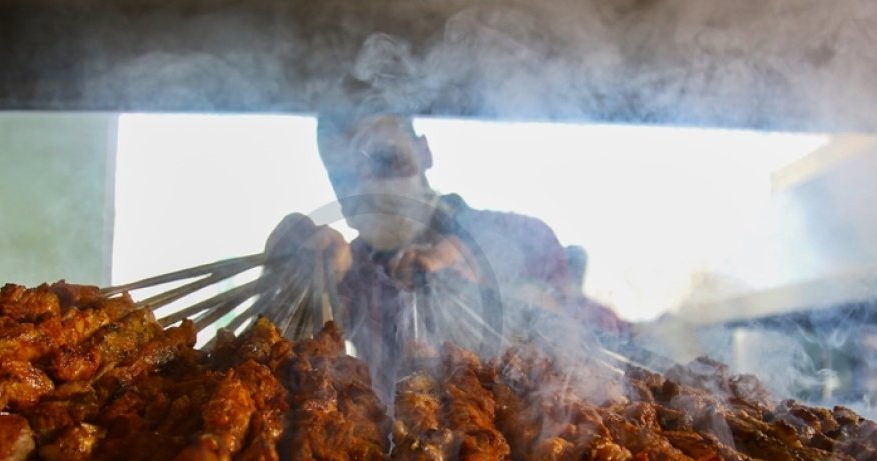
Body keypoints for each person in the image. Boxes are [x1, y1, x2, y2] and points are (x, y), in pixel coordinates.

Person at [266, 113, 624, 402]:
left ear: (423, 152)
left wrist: (478, 283)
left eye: (385, 160)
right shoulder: (348, 269)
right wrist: (291, 282)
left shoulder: (521, 237)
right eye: (342, 176)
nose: (366, 187)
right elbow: (308, 381)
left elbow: (574, 340)